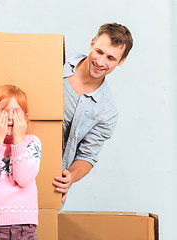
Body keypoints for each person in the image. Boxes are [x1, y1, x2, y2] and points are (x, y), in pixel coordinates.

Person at [53, 23, 133, 202]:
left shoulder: (107, 112)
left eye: (111, 58)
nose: (101, 62)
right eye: (99, 52)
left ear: (121, 61)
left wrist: (70, 178)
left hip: (48, 176)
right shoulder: (57, 55)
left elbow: (87, 155)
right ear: (91, 43)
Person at [0, 85, 41, 240]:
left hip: (26, 226)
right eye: (4, 112)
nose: (10, 117)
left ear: (25, 117)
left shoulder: (31, 143)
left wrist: (18, 140)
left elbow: (23, 179)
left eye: (16, 112)